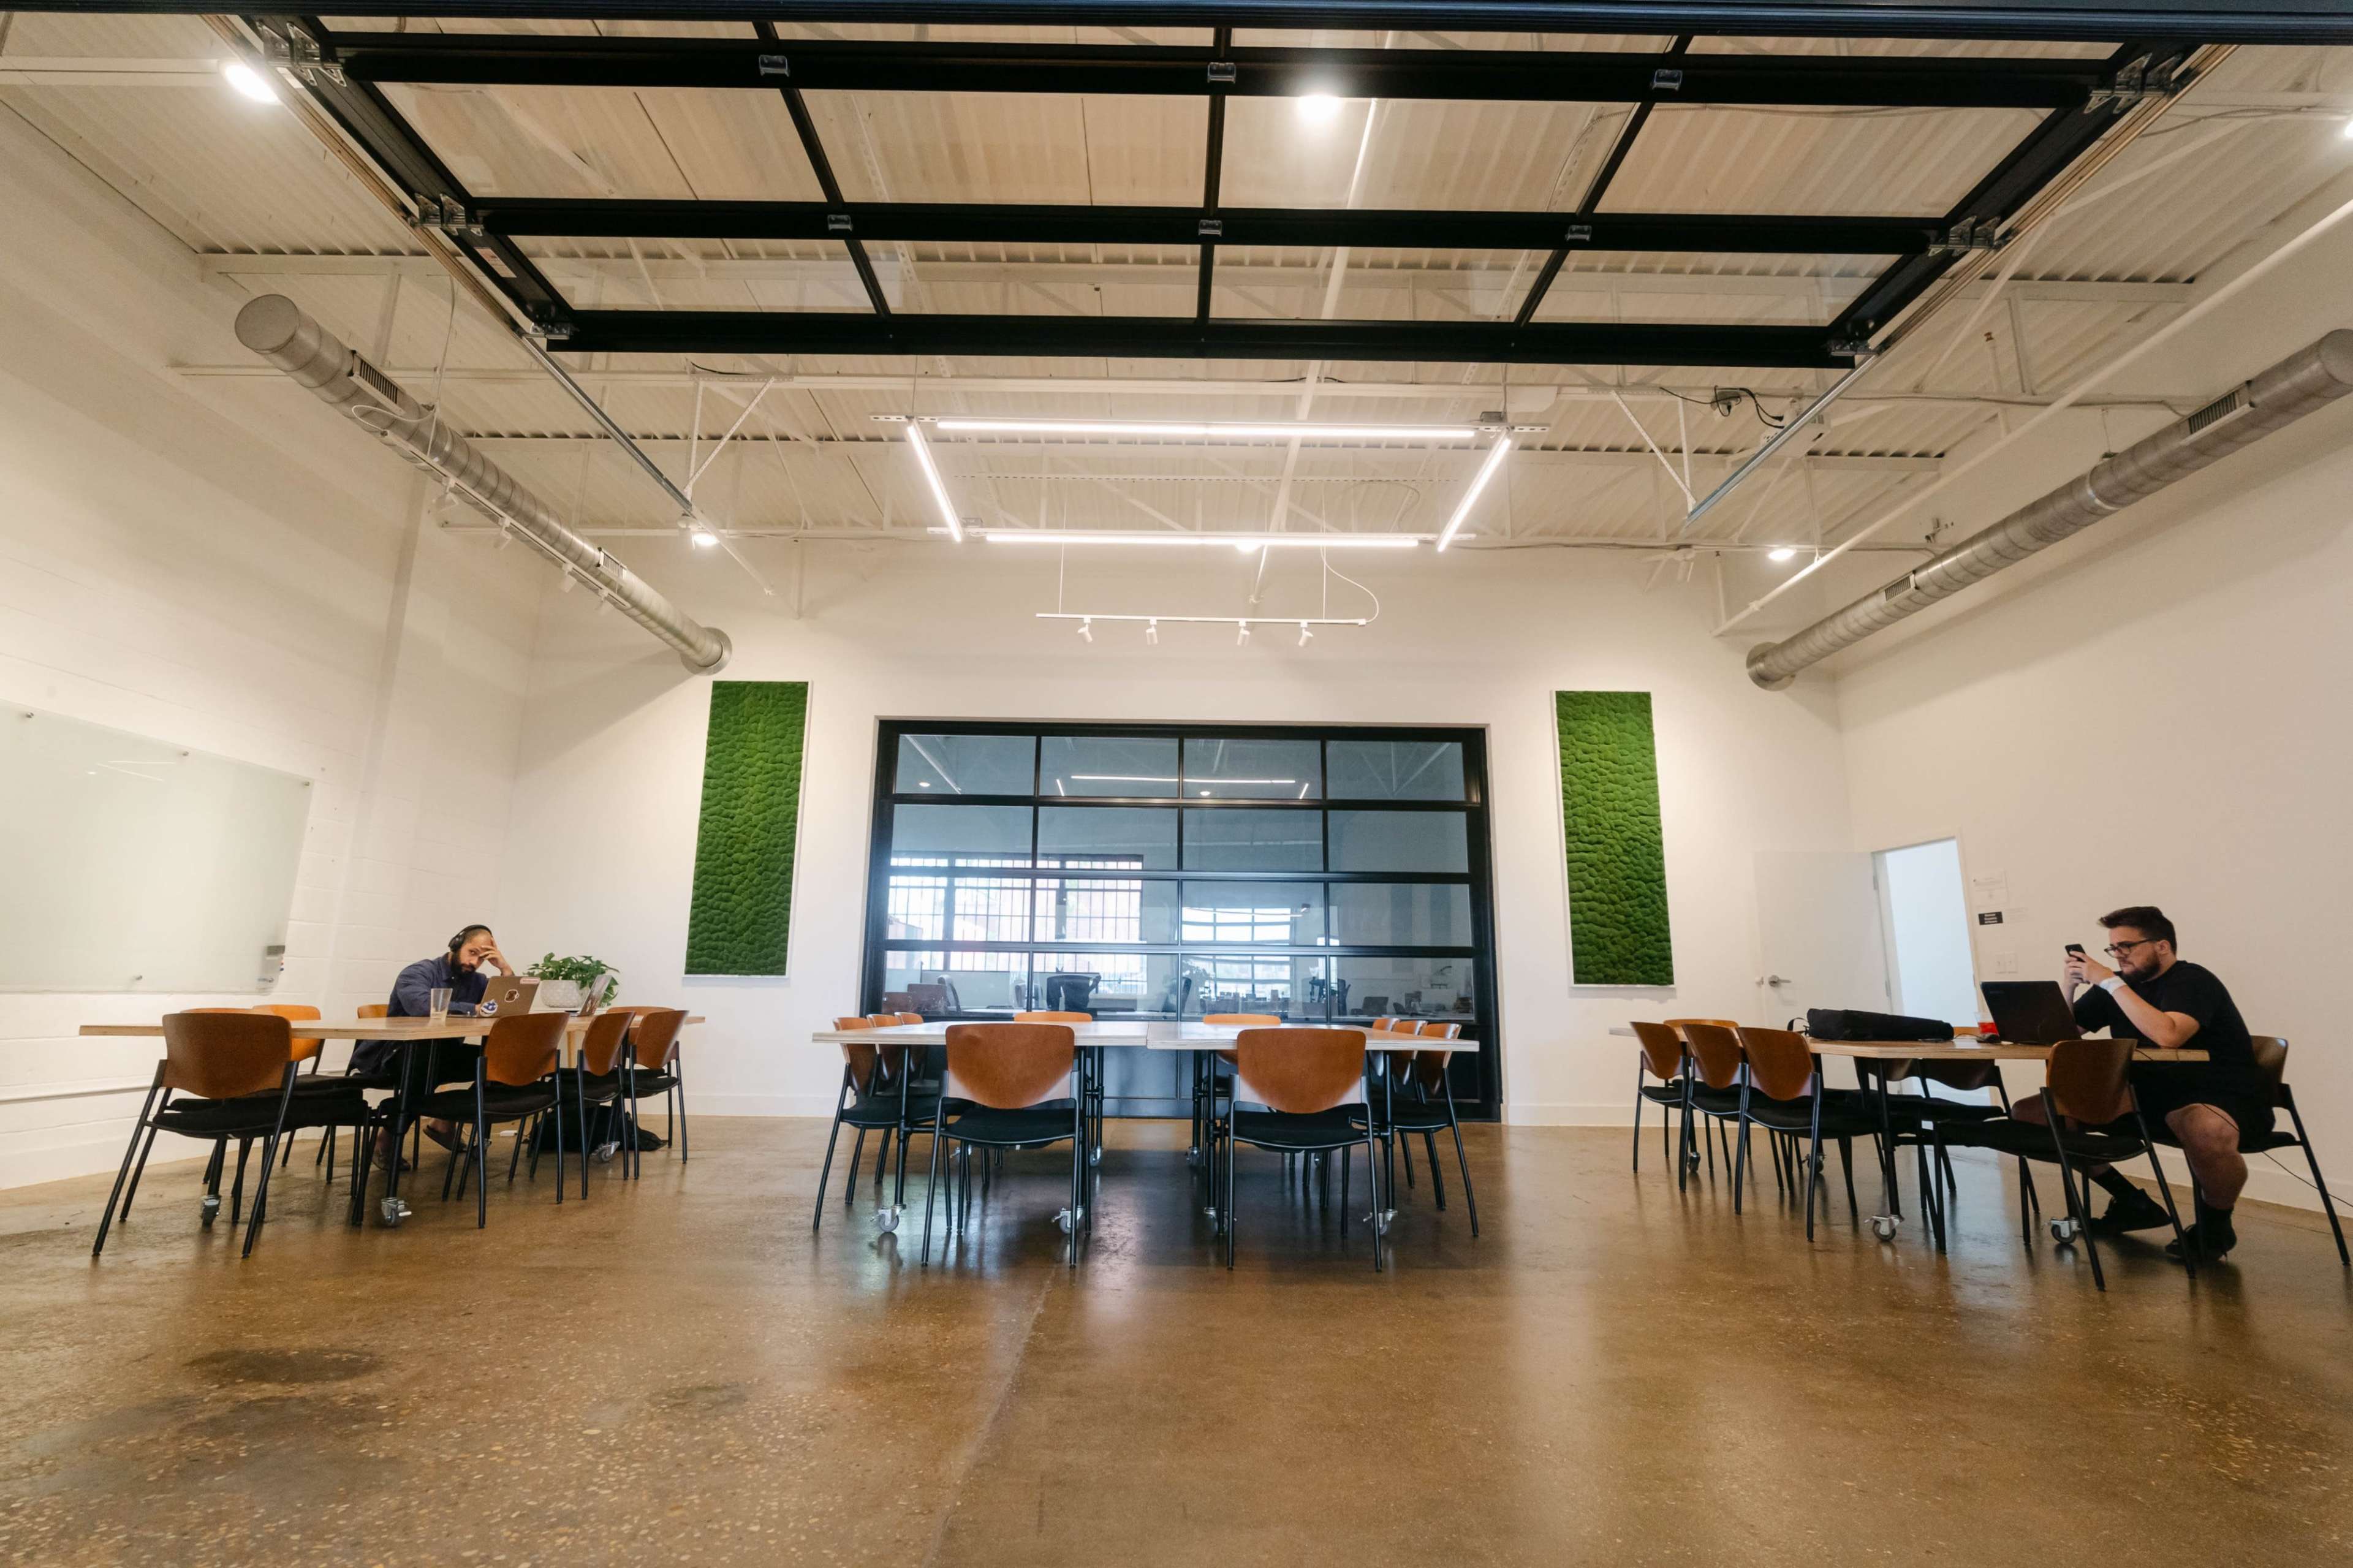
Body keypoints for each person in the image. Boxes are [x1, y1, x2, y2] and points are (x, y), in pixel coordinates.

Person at [2020, 906, 2270, 1261]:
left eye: (2127, 946)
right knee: (2033, 1114)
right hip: (2145, 1096)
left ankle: (2216, 1224)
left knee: (2203, 1127)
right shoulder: (2119, 985)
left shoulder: (2193, 981)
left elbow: (2169, 1036)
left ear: (2162, 946)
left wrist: (2111, 982)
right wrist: (2069, 988)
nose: (2119, 955)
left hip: (2219, 1094)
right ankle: (2130, 1200)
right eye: (2113, 948)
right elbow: (2057, 1038)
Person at [357, 925, 518, 1156]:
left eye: (482, 959)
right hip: (397, 1054)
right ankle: (388, 1136)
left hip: (444, 1053)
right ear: (456, 945)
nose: (474, 962)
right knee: (427, 1061)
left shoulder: (477, 980)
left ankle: (444, 1121)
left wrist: (505, 969)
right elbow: (421, 1007)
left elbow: (506, 1006)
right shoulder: (418, 972)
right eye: (472, 953)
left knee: (499, 1062)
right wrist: (474, 1009)